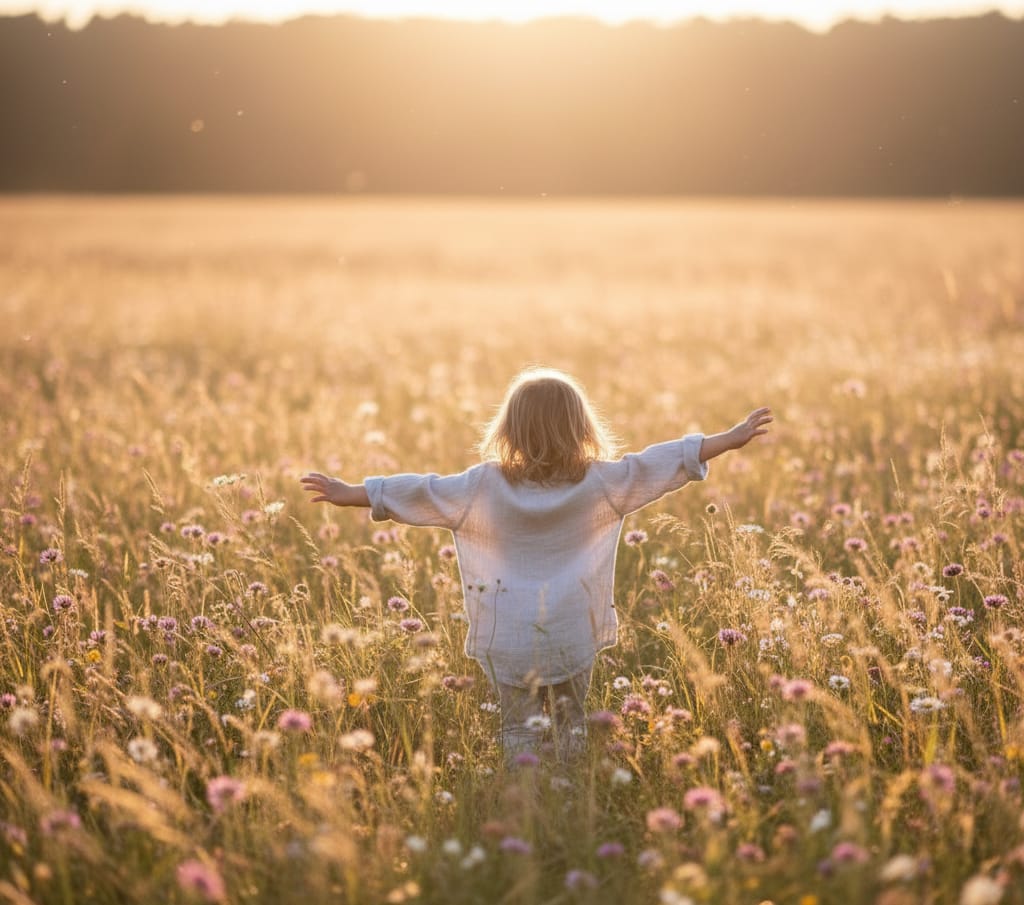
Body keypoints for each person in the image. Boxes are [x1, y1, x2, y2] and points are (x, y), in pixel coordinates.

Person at [301, 367, 771, 765]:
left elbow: (420, 490)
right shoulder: (602, 483)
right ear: (581, 428)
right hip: (570, 630)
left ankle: (522, 797)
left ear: (509, 431)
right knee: (571, 725)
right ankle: (569, 793)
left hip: (508, 635)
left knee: (518, 730)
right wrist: (727, 440)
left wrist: (355, 493)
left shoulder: (481, 485)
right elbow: (655, 464)